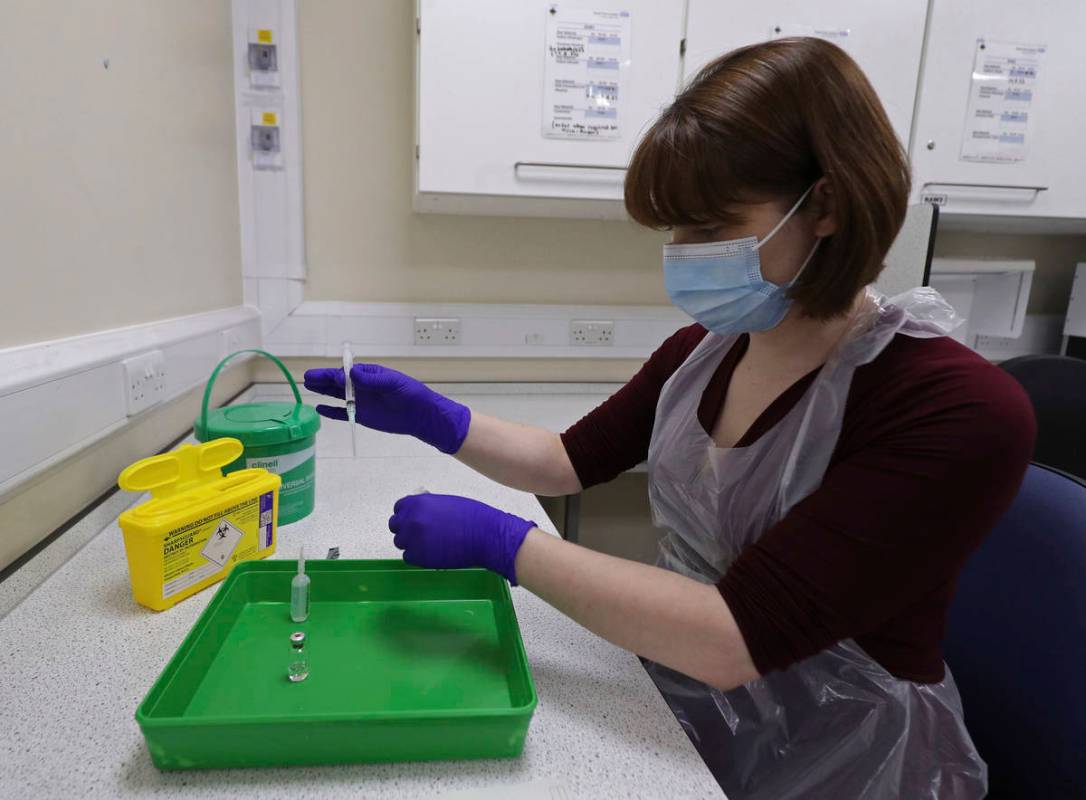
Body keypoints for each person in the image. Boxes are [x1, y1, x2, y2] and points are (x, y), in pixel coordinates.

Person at [305, 38, 1035, 799]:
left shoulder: (955, 408)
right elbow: (567, 461)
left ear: (824, 204)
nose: (684, 256)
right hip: (685, 690)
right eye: (674, 232)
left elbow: (734, 637)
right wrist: (437, 420)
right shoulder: (707, 351)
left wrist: (505, 542)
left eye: (709, 226)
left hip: (845, 749)